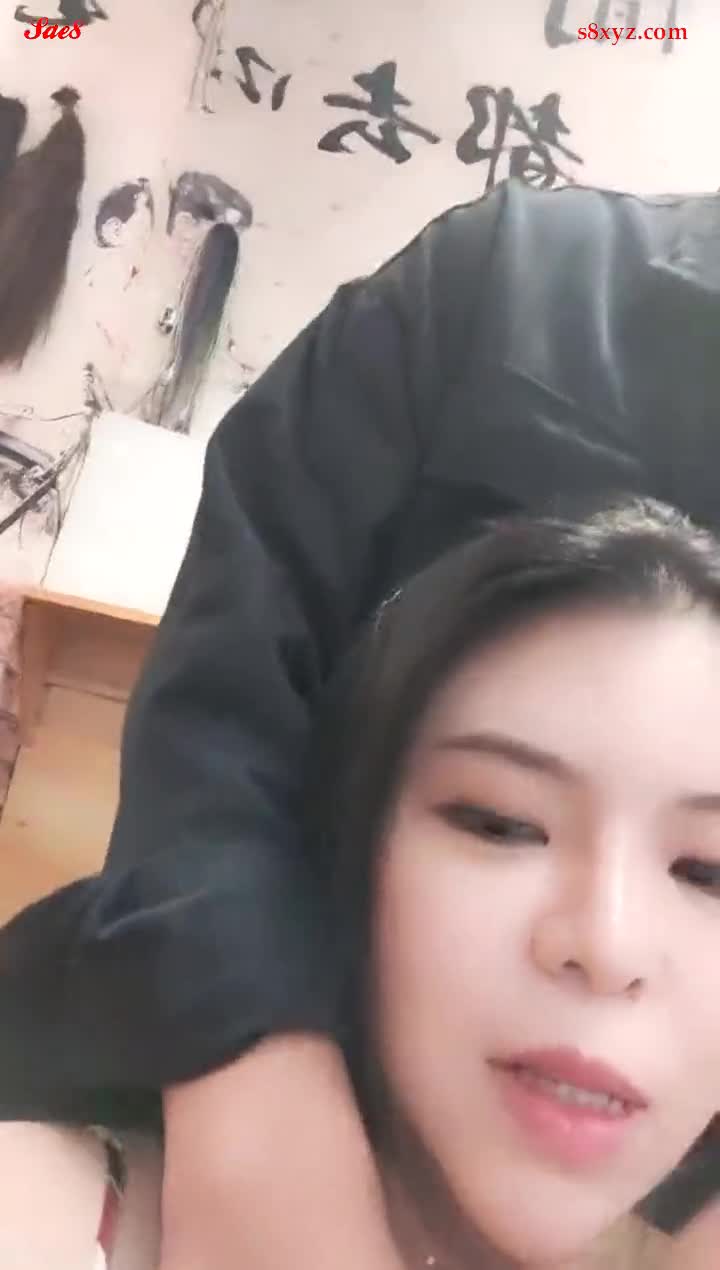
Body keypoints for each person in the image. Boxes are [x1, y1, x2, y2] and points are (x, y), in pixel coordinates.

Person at [2, 180, 720, 1270]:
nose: (610, 938)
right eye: (499, 820)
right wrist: (254, 1091)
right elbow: (226, 702)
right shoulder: (518, 287)